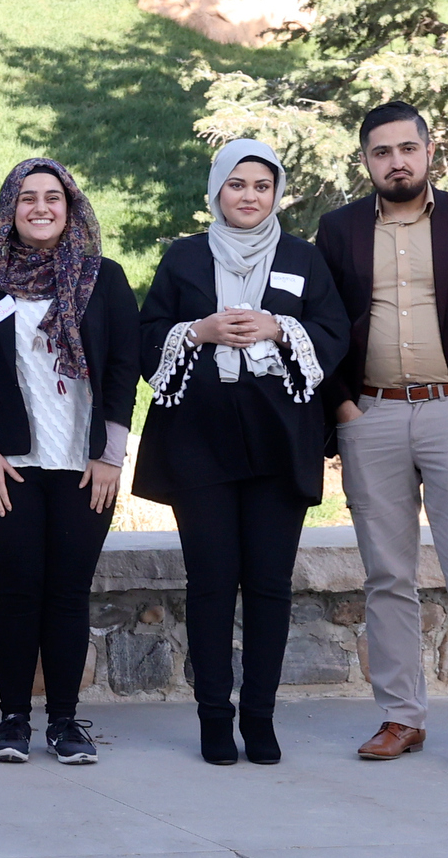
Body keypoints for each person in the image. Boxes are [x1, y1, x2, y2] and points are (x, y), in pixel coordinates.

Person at [313, 101, 448, 775]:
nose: (396, 161)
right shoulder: (338, 228)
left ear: (430, 152)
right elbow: (318, 323)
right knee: (386, 577)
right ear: (366, 161)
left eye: (407, 148)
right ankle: (401, 716)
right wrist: (342, 407)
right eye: (382, 152)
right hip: (369, 418)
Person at [136, 139, 349, 766]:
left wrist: (280, 328)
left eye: (262, 185)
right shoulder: (185, 257)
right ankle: (212, 717)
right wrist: (198, 331)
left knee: (268, 585)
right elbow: (148, 337)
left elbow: (336, 334)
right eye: (237, 184)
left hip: (280, 441)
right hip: (200, 441)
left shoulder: (303, 259)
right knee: (209, 584)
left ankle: (259, 716)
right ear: (216, 190)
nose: (250, 196)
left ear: (277, 193)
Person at [0, 160, 139, 765]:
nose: (40, 207)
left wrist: (110, 457)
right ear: (10, 207)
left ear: (70, 205)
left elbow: (120, 373)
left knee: (67, 593)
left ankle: (65, 722)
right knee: (17, 591)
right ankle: (12, 721)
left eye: (52, 197)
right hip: (4, 465)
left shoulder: (102, 278)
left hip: (85, 466)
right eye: (26, 197)